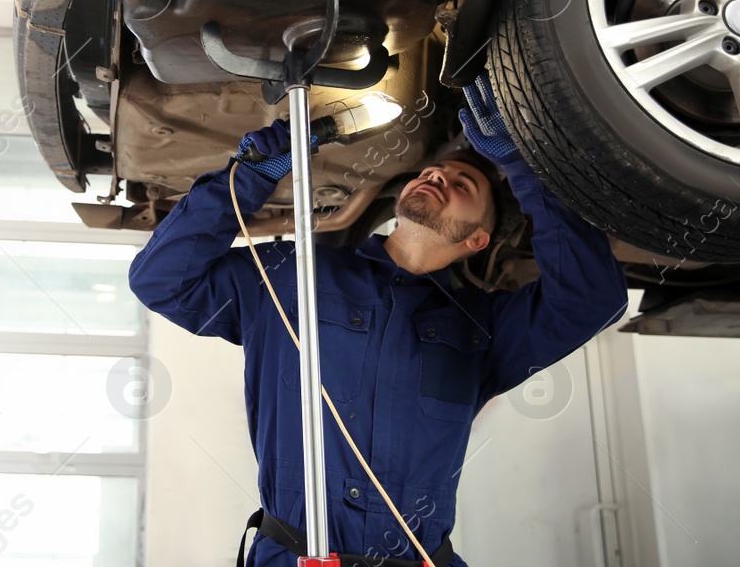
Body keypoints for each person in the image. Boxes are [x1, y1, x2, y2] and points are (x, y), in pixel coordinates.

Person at [127, 77, 629, 567]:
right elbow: (162, 281)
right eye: (432, 172)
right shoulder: (290, 275)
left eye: (464, 184)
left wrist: (521, 163)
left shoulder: (483, 330)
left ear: (477, 238)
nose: (439, 177)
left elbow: (593, 299)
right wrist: (251, 177)